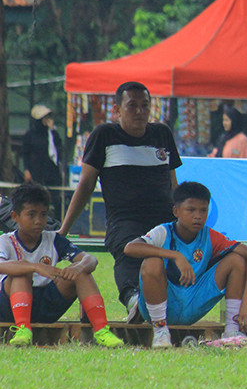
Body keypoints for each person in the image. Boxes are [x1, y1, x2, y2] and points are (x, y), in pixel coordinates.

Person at [60, 81, 181, 320]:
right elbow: (85, 184)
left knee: (194, 254)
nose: (139, 111)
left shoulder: (162, 134)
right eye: (132, 105)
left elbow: (173, 183)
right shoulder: (104, 135)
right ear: (117, 109)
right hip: (125, 219)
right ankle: (133, 300)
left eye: (145, 105)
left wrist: (181, 218)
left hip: (165, 219)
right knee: (129, 250)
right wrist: (65, 228)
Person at [123, 181, 247, 348]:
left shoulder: (210, 236)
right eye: (191, 210)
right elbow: (130, 248)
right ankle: (160, 332)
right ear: (176, 211)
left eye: (203, 210)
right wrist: (175, 255)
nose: (198, 216)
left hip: (193, 302)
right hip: (163, 303)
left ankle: (232, 331)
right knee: (152, 262)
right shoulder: (163, 231)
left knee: (236, 260)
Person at [0, 183, 124, 348]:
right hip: (10, 307)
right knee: (22, 274)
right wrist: (35, 267)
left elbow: (90, 259)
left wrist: (78, 267)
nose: (38, 221)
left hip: (46, 305)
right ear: (14, 216)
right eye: (31, 215)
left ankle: (101, 330)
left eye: (43, 215)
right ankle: (22, 329)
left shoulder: (54, 239)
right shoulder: (6, 241)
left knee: (82, 274)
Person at [21, 104, 63, 216]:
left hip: (51, 171)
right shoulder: (30, 135)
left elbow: (58, 145)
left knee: (55, 198)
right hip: (36, 171)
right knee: (36, 199)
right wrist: (26, 170)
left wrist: (52, 129)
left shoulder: (51, 134)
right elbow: (25, 154)